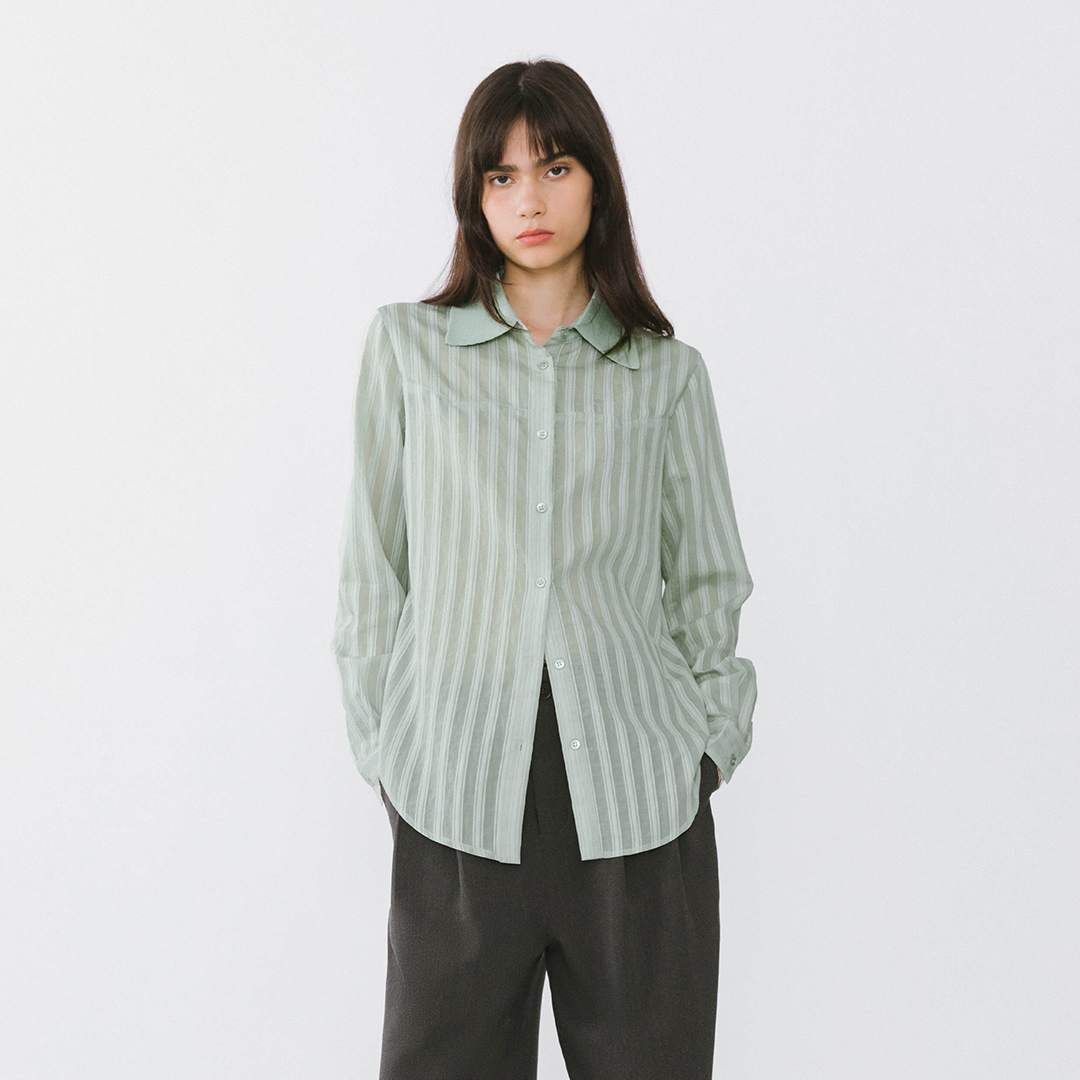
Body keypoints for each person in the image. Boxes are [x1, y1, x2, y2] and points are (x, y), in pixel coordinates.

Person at [332, 57, 757, 1080]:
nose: (530, 199)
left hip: (637, 795)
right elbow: (372, 572)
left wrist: (707, 748)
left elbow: (707, 581)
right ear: (474, 197)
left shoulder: (666, 375)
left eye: (556, 167)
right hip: (454, 788)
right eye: (503, 175)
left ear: (598, 181)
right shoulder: (407, 351)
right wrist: (389, 750)